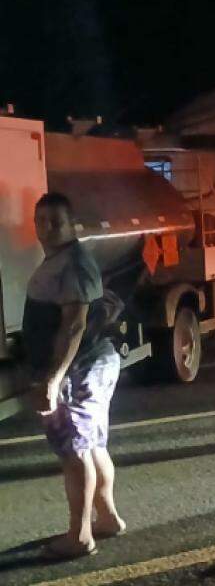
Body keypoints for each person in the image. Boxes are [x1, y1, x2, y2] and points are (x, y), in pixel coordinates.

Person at [25, 193, 126, 559]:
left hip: (79, 369)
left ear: (72, 226)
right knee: (93, 445)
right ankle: (108, 517)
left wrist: (53, 380)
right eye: (41, 221)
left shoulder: (75, 264)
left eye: (56, 222)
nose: (47, 228)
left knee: (75, 451)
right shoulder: (60, 261)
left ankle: (80, 535)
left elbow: (74, 325)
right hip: (87, 366)